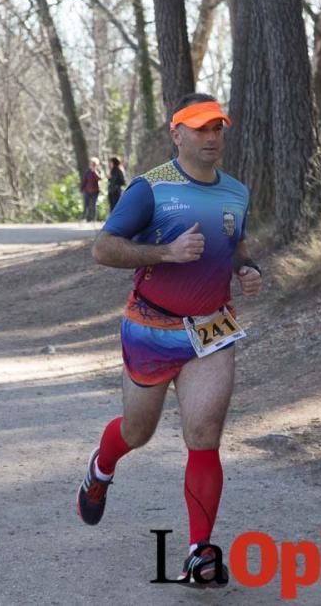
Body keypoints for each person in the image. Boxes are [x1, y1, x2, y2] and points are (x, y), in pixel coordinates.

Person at [74, 94, 262, 587]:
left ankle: (200, 551)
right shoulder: (149, 189)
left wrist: (246, 267)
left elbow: (236, 241)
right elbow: (103, 248)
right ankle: (101, 467)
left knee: (204, 438)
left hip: (211, 329)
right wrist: (167, 252)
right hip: (152, 326)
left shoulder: (237, 192)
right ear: (176, 134)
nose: (211, 137)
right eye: (200, 129)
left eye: (218, 128)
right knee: (138, 432)